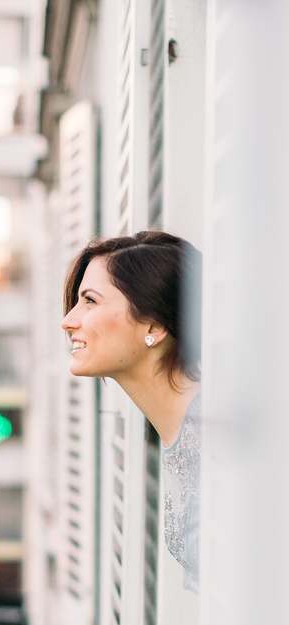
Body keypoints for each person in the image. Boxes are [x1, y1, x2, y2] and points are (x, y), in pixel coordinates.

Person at [61, 231, 201, 590]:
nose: (68, 321)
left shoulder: (219, 436)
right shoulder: (184, 432)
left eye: (90, 301)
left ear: (154, 326)